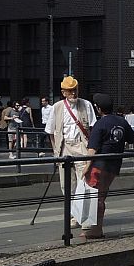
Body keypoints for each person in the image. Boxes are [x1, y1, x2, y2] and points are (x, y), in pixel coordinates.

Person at [83, 93, 134, 240]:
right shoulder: (121, 121)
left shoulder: (99, 124)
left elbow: (92, 149)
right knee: (102, 196)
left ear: (99, 108)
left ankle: (96, 230)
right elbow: (133, 140)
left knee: (96, 198)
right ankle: (94, 228)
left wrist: (87, 167)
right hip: (114, 166)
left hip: (99, 166)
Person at [45, 76, 97, 227]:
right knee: (67, 184)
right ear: (63, 92)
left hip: (81, 145)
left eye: (75, 90)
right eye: (70, 91)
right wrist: (56, 151)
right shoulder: (57, 107)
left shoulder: (86, 105)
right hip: (64, 146)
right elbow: (50, 131)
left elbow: (93, 128)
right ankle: (73, 214)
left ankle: (83, 216)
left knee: (84, 182)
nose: (73, 93)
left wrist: (90, 150)